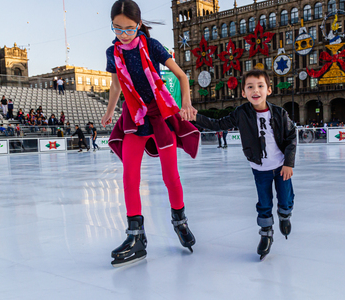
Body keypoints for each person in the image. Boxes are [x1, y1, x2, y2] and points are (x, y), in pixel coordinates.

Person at [102, 0, 200, 267]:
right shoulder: (113, 52)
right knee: (129, 175)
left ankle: (180, 222)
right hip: (134, 115)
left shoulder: (152, 46)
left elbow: (182, 76)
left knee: (170, 176)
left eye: (129, 29)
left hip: (159, 115)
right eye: (117, 28)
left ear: (139, 24)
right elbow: (115, 86)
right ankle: (136, 237)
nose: (123, 34)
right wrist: (111, 111)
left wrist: (187, 104)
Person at [195, 69, 296, 260]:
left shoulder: (280, 113)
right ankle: (266, 233)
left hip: (281, 166)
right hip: (260, 169)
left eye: (260, 86)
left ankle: (285, 215)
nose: (255, 90)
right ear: (243, 92)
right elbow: (218, 124)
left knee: (285, 198)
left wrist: (289, 163)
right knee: (264, 203)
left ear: (269, 90)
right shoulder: (241, 113)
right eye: (250, 87)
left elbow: (292, 136)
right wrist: (195, 117)